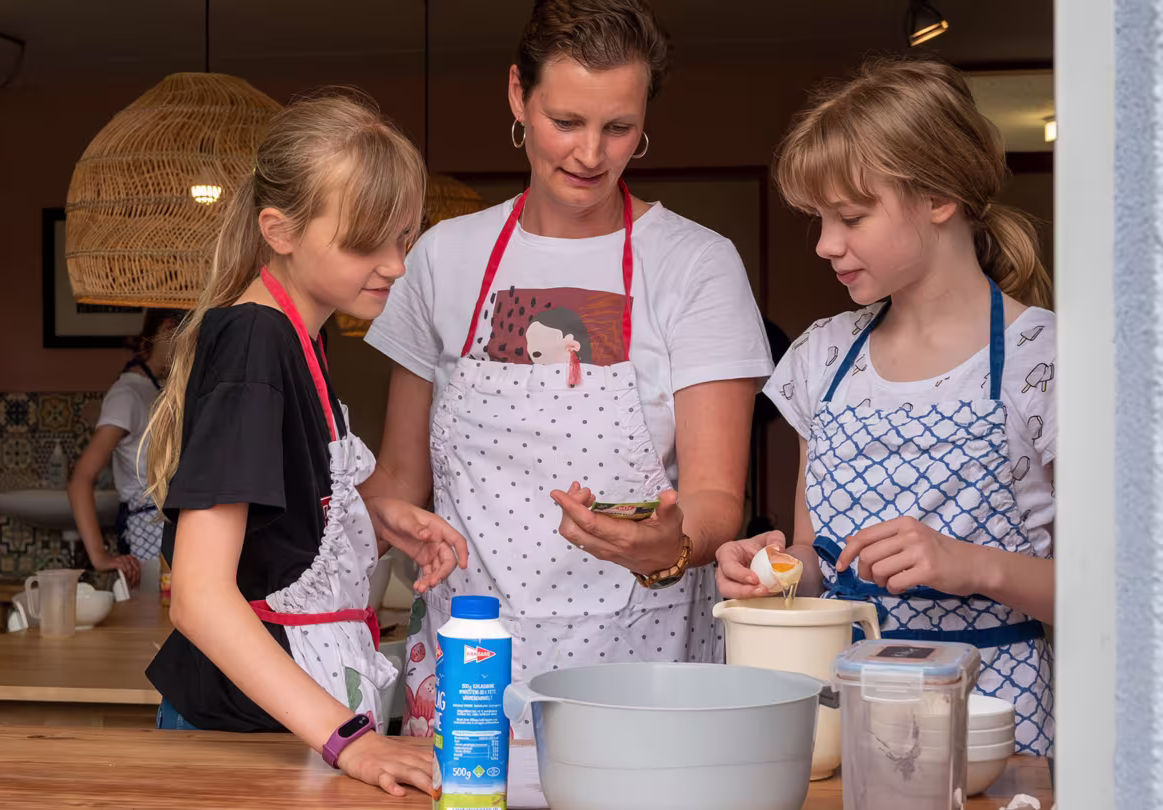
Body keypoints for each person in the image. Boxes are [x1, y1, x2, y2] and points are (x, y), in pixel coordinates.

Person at [362, 0, 773, 738]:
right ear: (519, 94)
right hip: (469, 658)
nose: (591, 154)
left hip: (639, 660)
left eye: (619, 128)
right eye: (567, 122)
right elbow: (398, 483)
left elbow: (717, 498)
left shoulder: (695, 265)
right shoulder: (441, 259)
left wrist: (670, 547)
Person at [714, 58, 1056, 757]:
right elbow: (819, 562)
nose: (824, 245)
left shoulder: (1047, 362)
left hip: (998, 733)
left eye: (851, 217)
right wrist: (773, 569)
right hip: (847, 725)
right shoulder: (822, 358)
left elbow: (1122, 595)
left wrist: (972, 564)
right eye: (819, 219)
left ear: (938, 197)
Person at [141, 90, 469, 798]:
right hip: (241, 734)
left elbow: (273, 537)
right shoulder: (258, 341)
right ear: (280, 231)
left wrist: (375, 518)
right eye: (365, 242)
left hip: (278, 726)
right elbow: (197, 597)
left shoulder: (295, 336)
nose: (396, 266)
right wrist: (349, 741)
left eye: (404, 239)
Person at [67, 308, 184, 589]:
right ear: (169, 329)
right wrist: (99, 556)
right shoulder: (127, 395)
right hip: (147, 537)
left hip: (167, 530)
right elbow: (81, 479)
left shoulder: (155, 389)